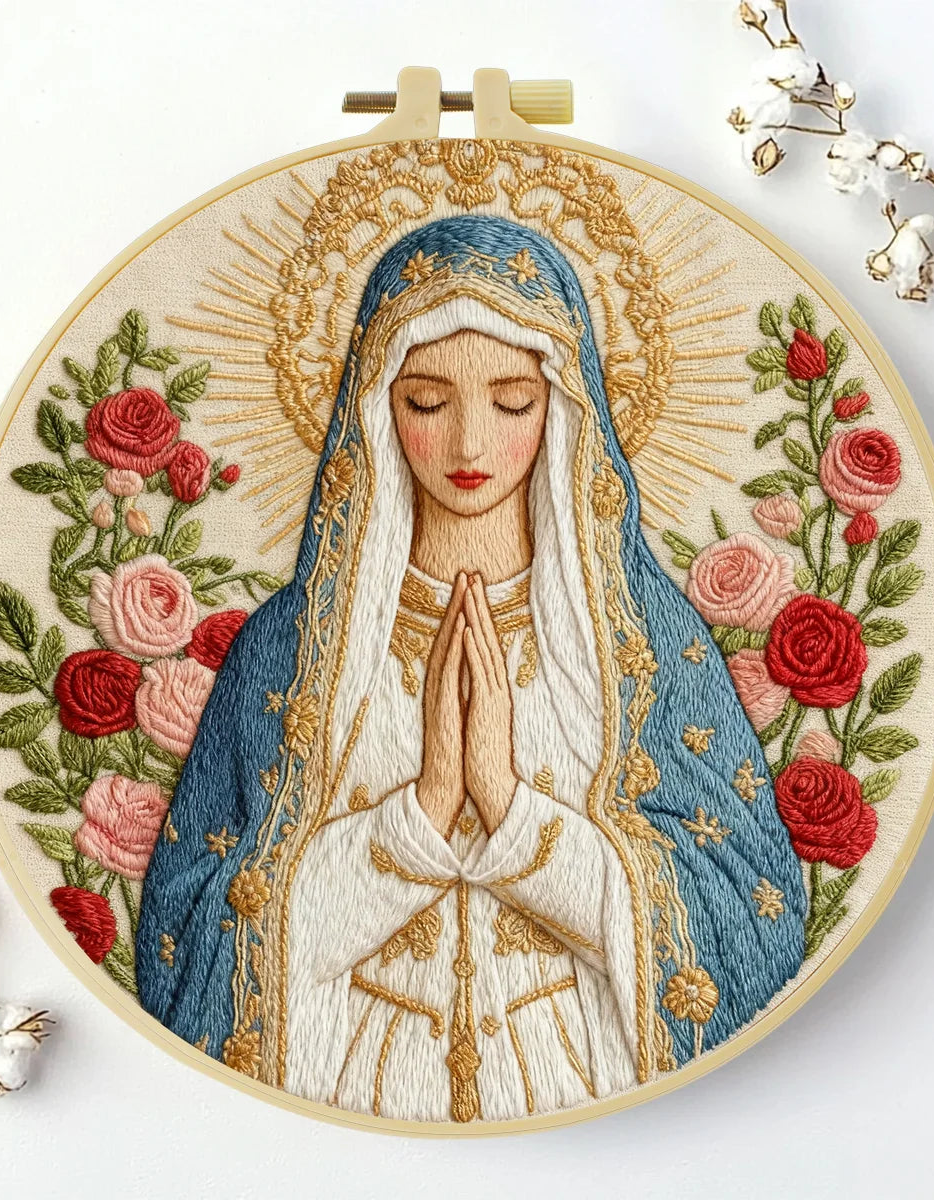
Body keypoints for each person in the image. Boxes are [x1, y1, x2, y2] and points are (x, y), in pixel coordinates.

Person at [137, 214, 806, 1123]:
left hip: (592, 1096)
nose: (469, 447)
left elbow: (739, 918)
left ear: (562, 405)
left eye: (511, 402)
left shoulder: (640, 642)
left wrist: (508, 807)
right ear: (376, 405)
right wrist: (415, 818)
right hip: (344, 1098)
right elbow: (198, 930)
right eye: (426, 402)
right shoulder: (290, 648)